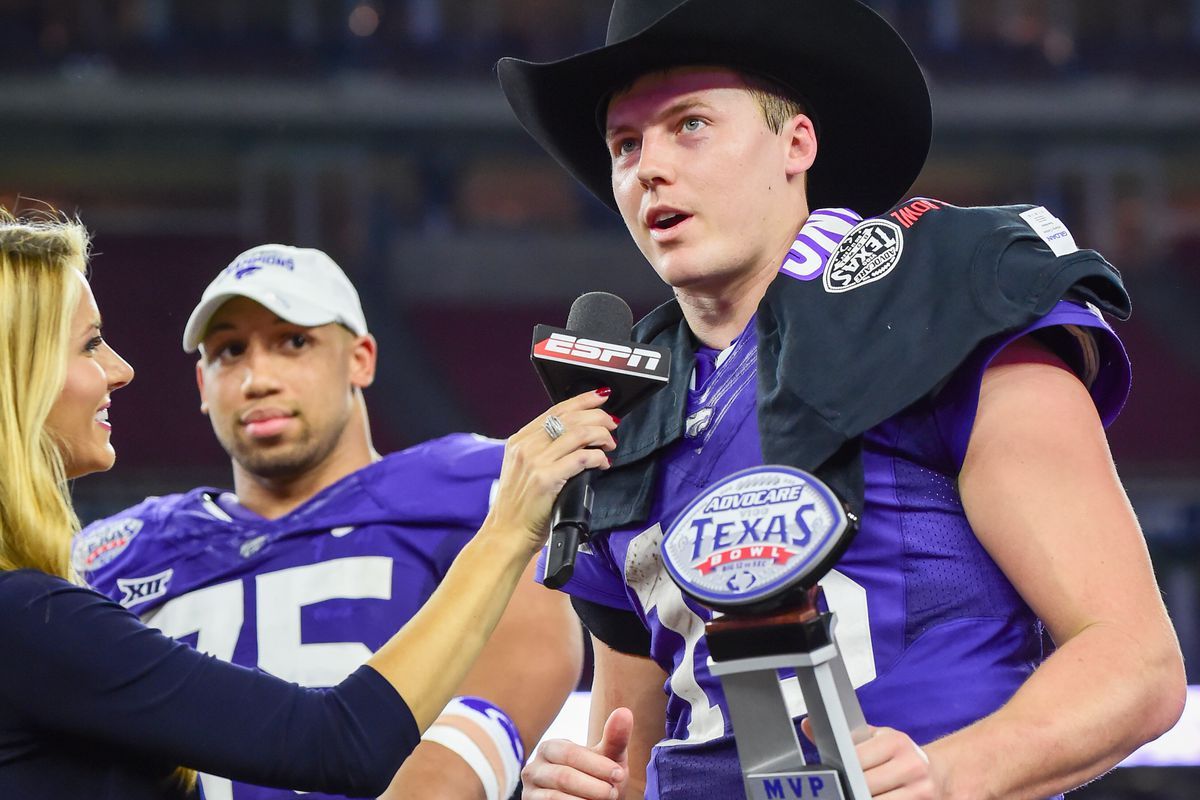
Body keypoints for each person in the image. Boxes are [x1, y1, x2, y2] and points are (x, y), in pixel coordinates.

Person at [493, 1, 1188, 799]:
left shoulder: (939, 296)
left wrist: (949, 773)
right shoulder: (623, 405)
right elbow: (632, 743)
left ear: (797, 145)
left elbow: (1135, 663)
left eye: (689, 125)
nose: (646, 166)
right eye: (624, 144)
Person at [0, 207, 616, 800]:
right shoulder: (103, 556)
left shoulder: (472, 483)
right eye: (229, 351)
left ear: (362, 358)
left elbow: (531, 651)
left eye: (292, 341)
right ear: (201, 384)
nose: (258, 377)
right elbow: (334, 739)